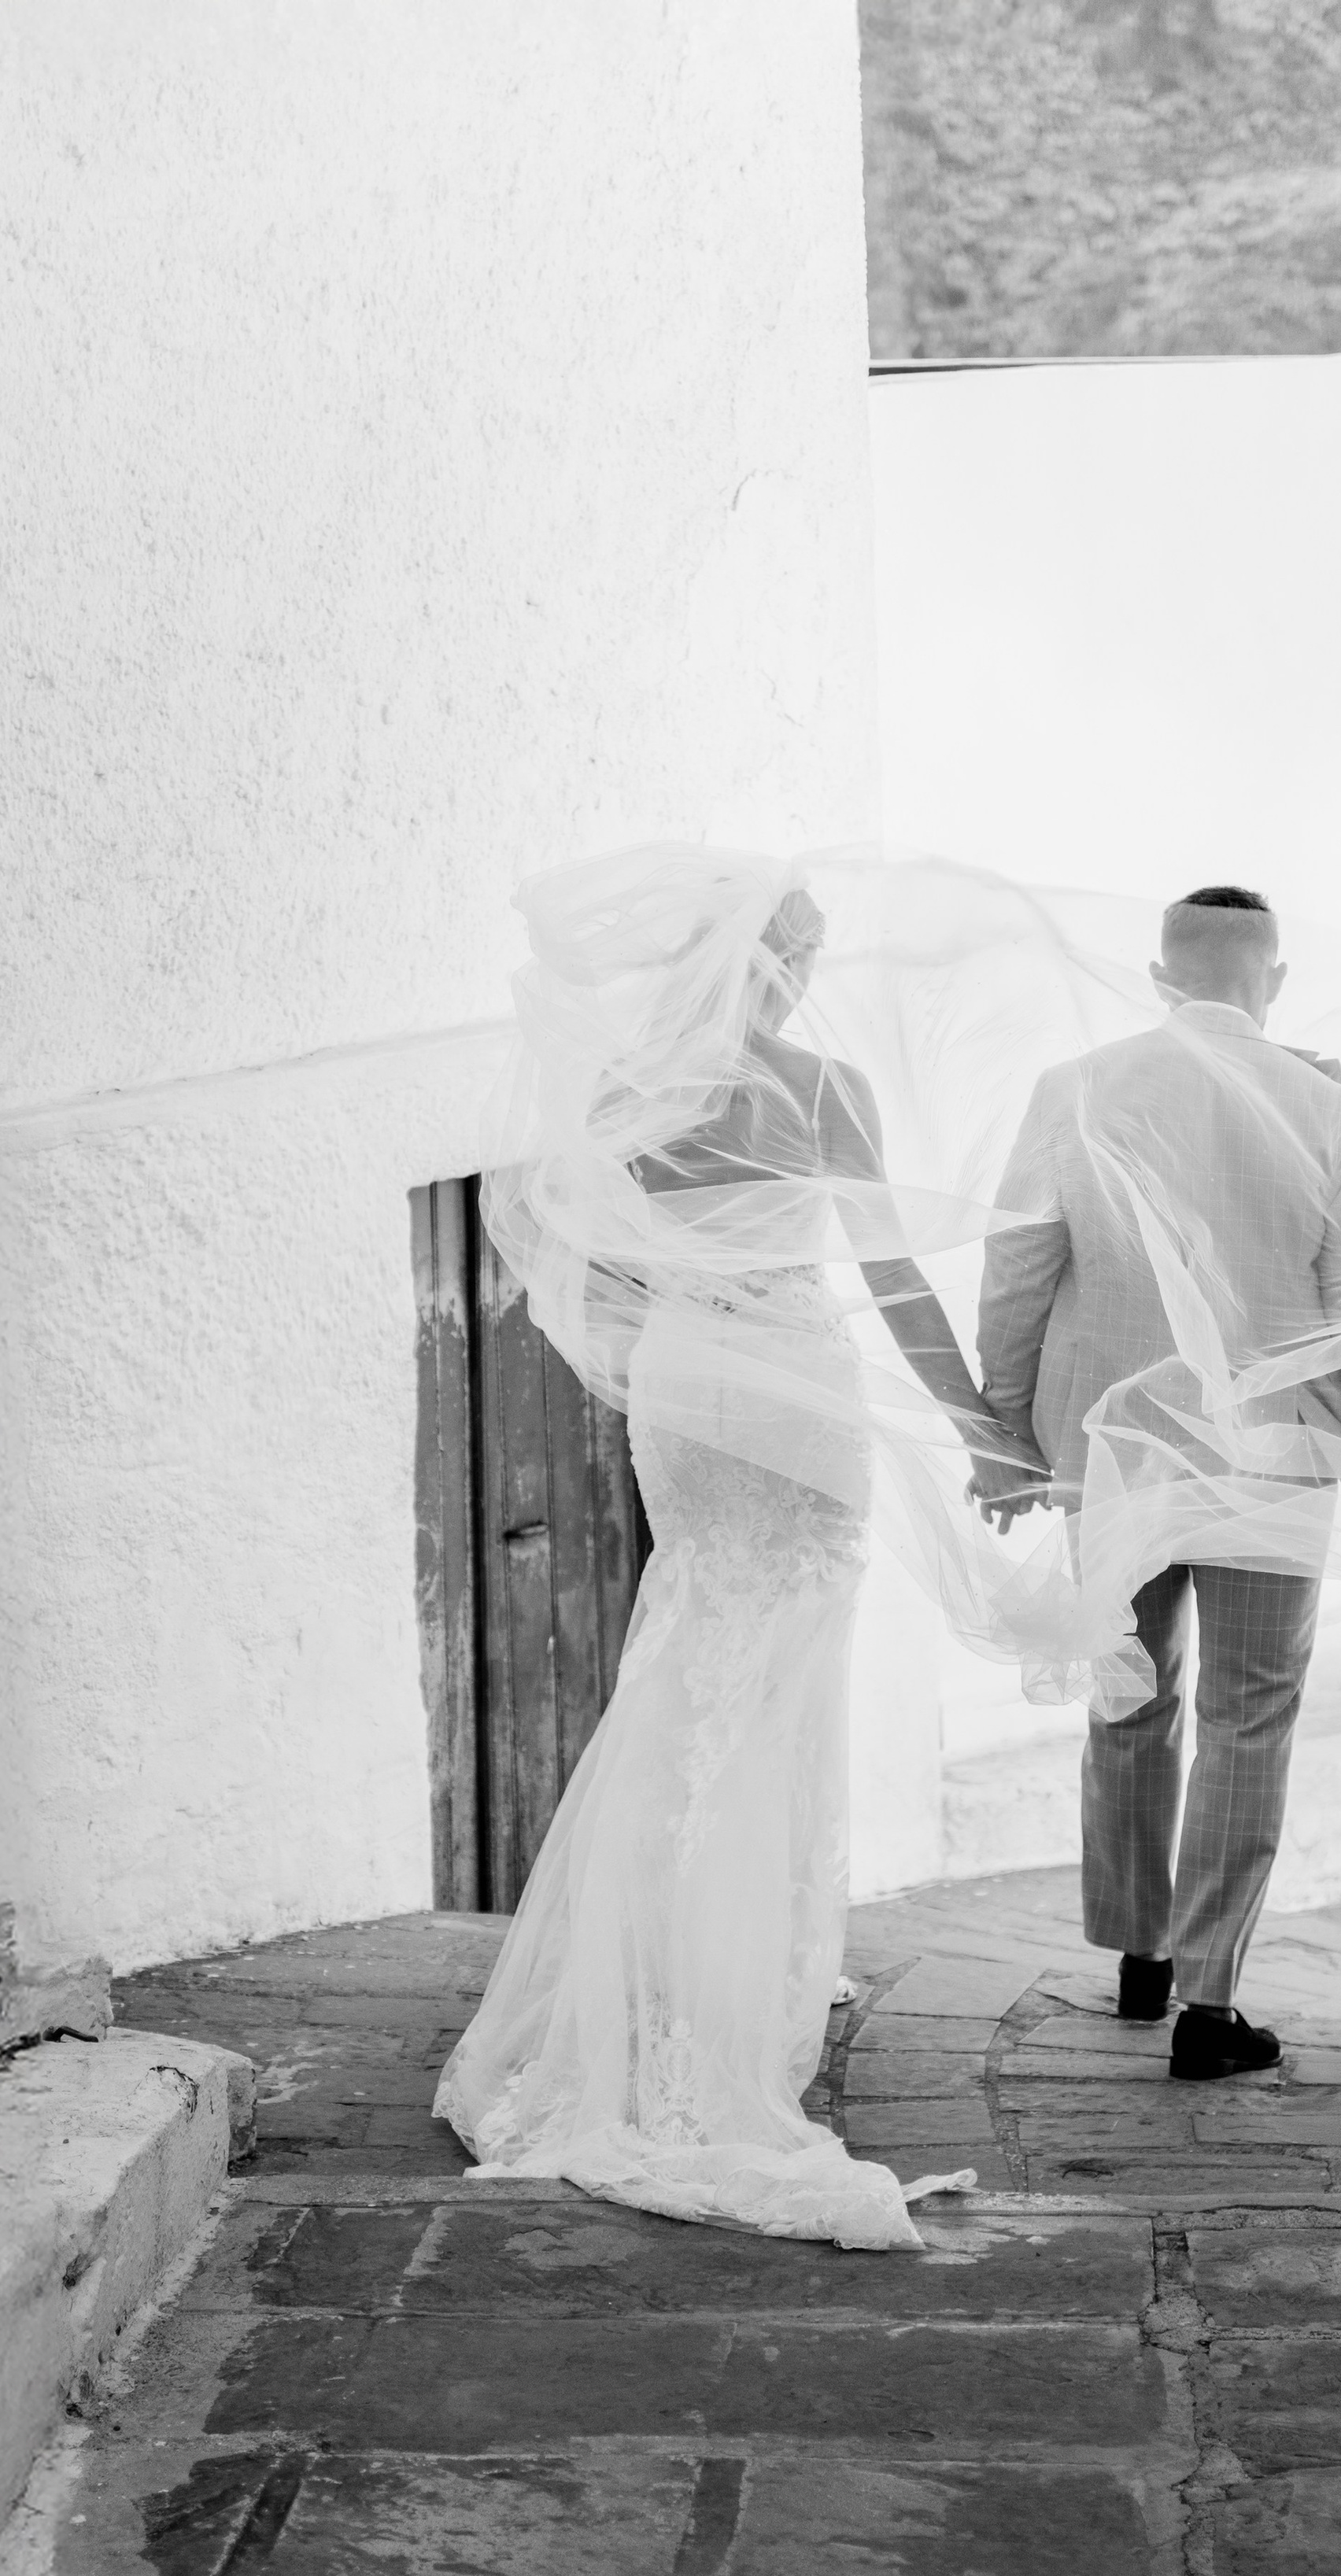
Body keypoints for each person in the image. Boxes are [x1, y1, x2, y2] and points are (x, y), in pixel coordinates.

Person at [435, 851, 1045, 2247]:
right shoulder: (826, 1093)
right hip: (795, 1386)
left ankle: (643, 1979)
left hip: (686, 1386)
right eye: (805, 956)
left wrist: (687, 1314)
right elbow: (891, 1281)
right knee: (779, 1690)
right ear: (778, 967)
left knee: (685, 1670)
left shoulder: (622, 1098)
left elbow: (587, 1266)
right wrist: (979, 1426)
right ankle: (742, 1985)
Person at [974, 884, 1341, 2080]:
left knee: (1131, 1695)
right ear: (1271, 980)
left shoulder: (1075, 1089)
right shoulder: (1329, 1107)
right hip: (1275, 1455)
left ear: (1159, 978)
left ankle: (1137, 1952)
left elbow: (1019, 1266)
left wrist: (1006, 1423)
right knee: (1249, 1713)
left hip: (1114, 1446)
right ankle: (1212, 2005)